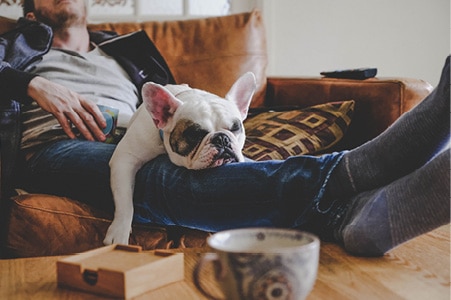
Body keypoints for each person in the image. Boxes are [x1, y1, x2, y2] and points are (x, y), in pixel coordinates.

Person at [0, 0, 449, 257]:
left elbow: (179, 117)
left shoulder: (124, 49)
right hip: (54, 146)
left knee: (193, 168)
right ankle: (358, 168)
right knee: (160, 180)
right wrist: (32, 82)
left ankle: (354, 221)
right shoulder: (12, 46)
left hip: (132, 134)